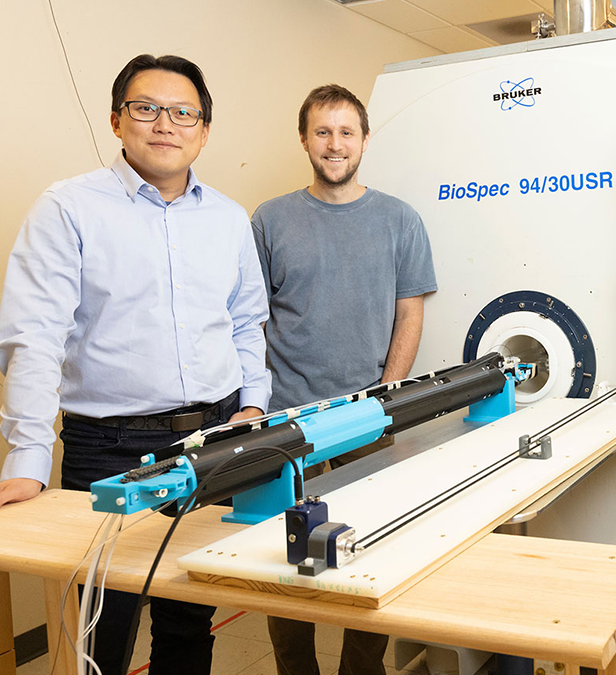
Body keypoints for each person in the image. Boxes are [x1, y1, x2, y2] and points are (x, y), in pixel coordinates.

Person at [0, 54, 270, 674]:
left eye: (183, 112)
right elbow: (35, 336)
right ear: (116, 120)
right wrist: (27, 460)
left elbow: (245, 324)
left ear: (204, 131)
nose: (165, 124)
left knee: (190, 620)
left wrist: (252, 406)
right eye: (146, 108)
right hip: (109, 448)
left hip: (210, 439)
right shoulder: (69, 208)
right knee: (101, 626)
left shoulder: (230, 219)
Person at [252, 84, 436, 675]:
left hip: (369, 418)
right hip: (286, 419)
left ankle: (362, 669)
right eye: (323, 132)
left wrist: (385, 394)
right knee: (285, 565)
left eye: (346, 132)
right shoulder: (271, 219)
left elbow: (410, 312)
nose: (335, 144)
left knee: (372, 553)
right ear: (304, 138)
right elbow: (248, 319)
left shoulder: (399, 219)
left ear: (364, 139)